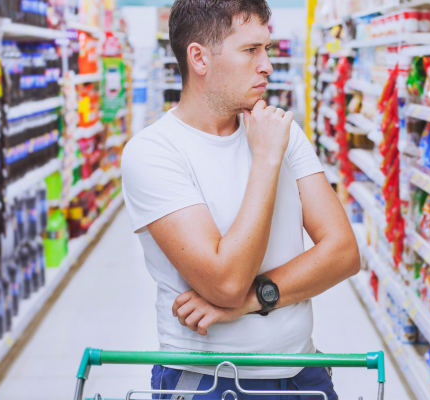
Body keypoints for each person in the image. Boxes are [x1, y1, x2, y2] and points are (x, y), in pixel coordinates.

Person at [121, 0, 360, 397]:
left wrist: (252, 301)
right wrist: (265, 159)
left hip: (302, 370)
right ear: (199, 58)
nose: (266, 64)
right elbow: (225, 281)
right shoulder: (154, 152)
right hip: (207, 381)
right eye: (251, 50)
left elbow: (343, 252)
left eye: (266, 48)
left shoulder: (283, 131)